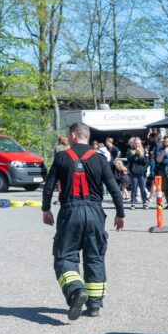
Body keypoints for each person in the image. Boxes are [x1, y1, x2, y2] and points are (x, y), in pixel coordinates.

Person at [42, 122, 125, 320]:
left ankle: (75, 290)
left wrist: (46, 209)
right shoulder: (100, 158)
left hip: (70, 211)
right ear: (86, 136)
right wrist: (120, 214)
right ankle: (94, 305)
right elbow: (114, 188)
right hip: (95, 212)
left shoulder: (62, 157)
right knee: (95, 256)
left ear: (72, 135)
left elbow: (49, 186)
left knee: (65, 256)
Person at [126, 137, 151, 209]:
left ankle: (145, 203)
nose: (137, 145)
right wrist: (136, 154)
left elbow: (146, 162)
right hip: (133, 173)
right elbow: (130, 161)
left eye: (138, 143)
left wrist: (140, 156)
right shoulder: (129, 151)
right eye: (135, 143)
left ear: (141, 143)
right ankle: (133, 203)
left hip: (142, 173)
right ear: (133, 144)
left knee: (143, 189)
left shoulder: (145, 151)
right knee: (134, 189)